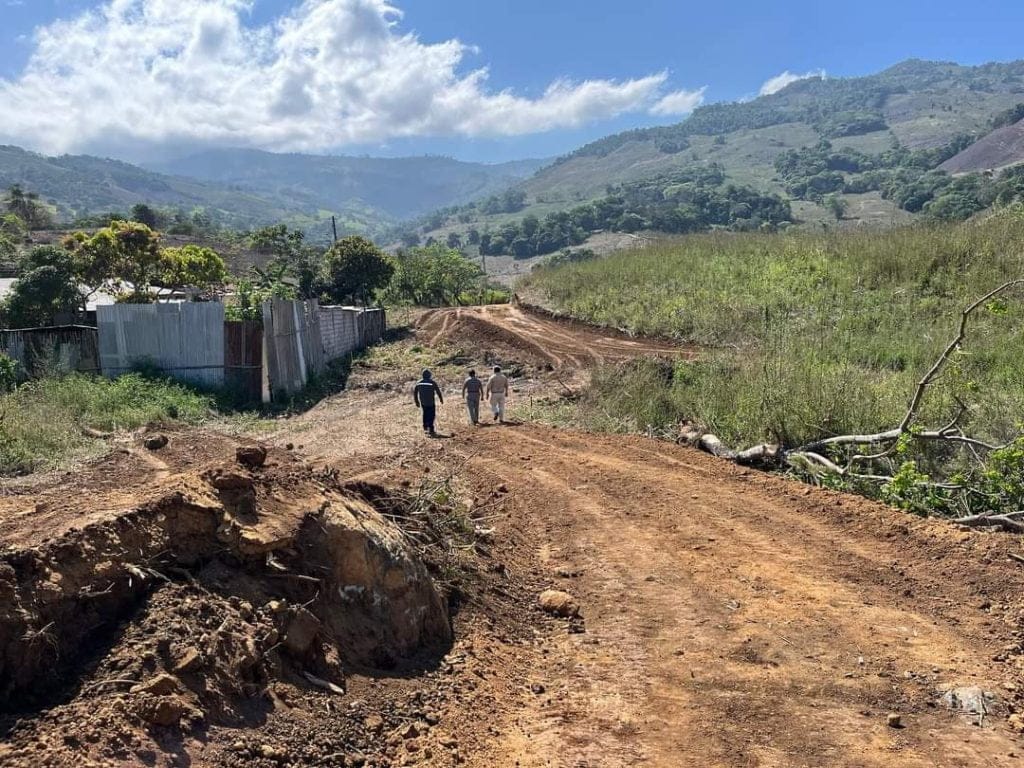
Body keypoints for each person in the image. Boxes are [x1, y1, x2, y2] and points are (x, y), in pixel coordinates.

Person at [413, 369, 444, 436]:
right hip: (431, 402)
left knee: (425, 414)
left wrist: (416, 401)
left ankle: (425, 427)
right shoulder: (432, 382)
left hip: (423, 402)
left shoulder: (419, 383)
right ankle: (431, 429)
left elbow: (415, 393)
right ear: (429, 375)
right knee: (431, 415)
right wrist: (441, 399)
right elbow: (438, 391)